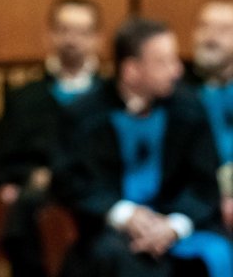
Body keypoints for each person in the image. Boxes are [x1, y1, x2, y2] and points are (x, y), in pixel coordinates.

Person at [54, 18, 232, 276]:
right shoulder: (84, 115)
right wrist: (124, 214)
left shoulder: (189, 108)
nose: (177, 71)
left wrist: (174, 225)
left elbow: (203, 183)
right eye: (163, 62)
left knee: (217, 253)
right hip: (112, 231)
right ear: (131, 70)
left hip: (179, 222)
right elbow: (70, 181)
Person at [0, 0, 104, 277]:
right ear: (49, 34)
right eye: (64, 30)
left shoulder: (109, 99)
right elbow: (4, 163)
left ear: (97, 39)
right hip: (37, 200)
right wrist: (25, 179)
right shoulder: (24, 98)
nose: (72, 40)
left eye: (81, 32)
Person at [189, 0, 233, 230]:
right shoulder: (176, 92)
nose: (210, 37)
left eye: (224, 30)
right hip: (195, 209)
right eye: (204, 26)